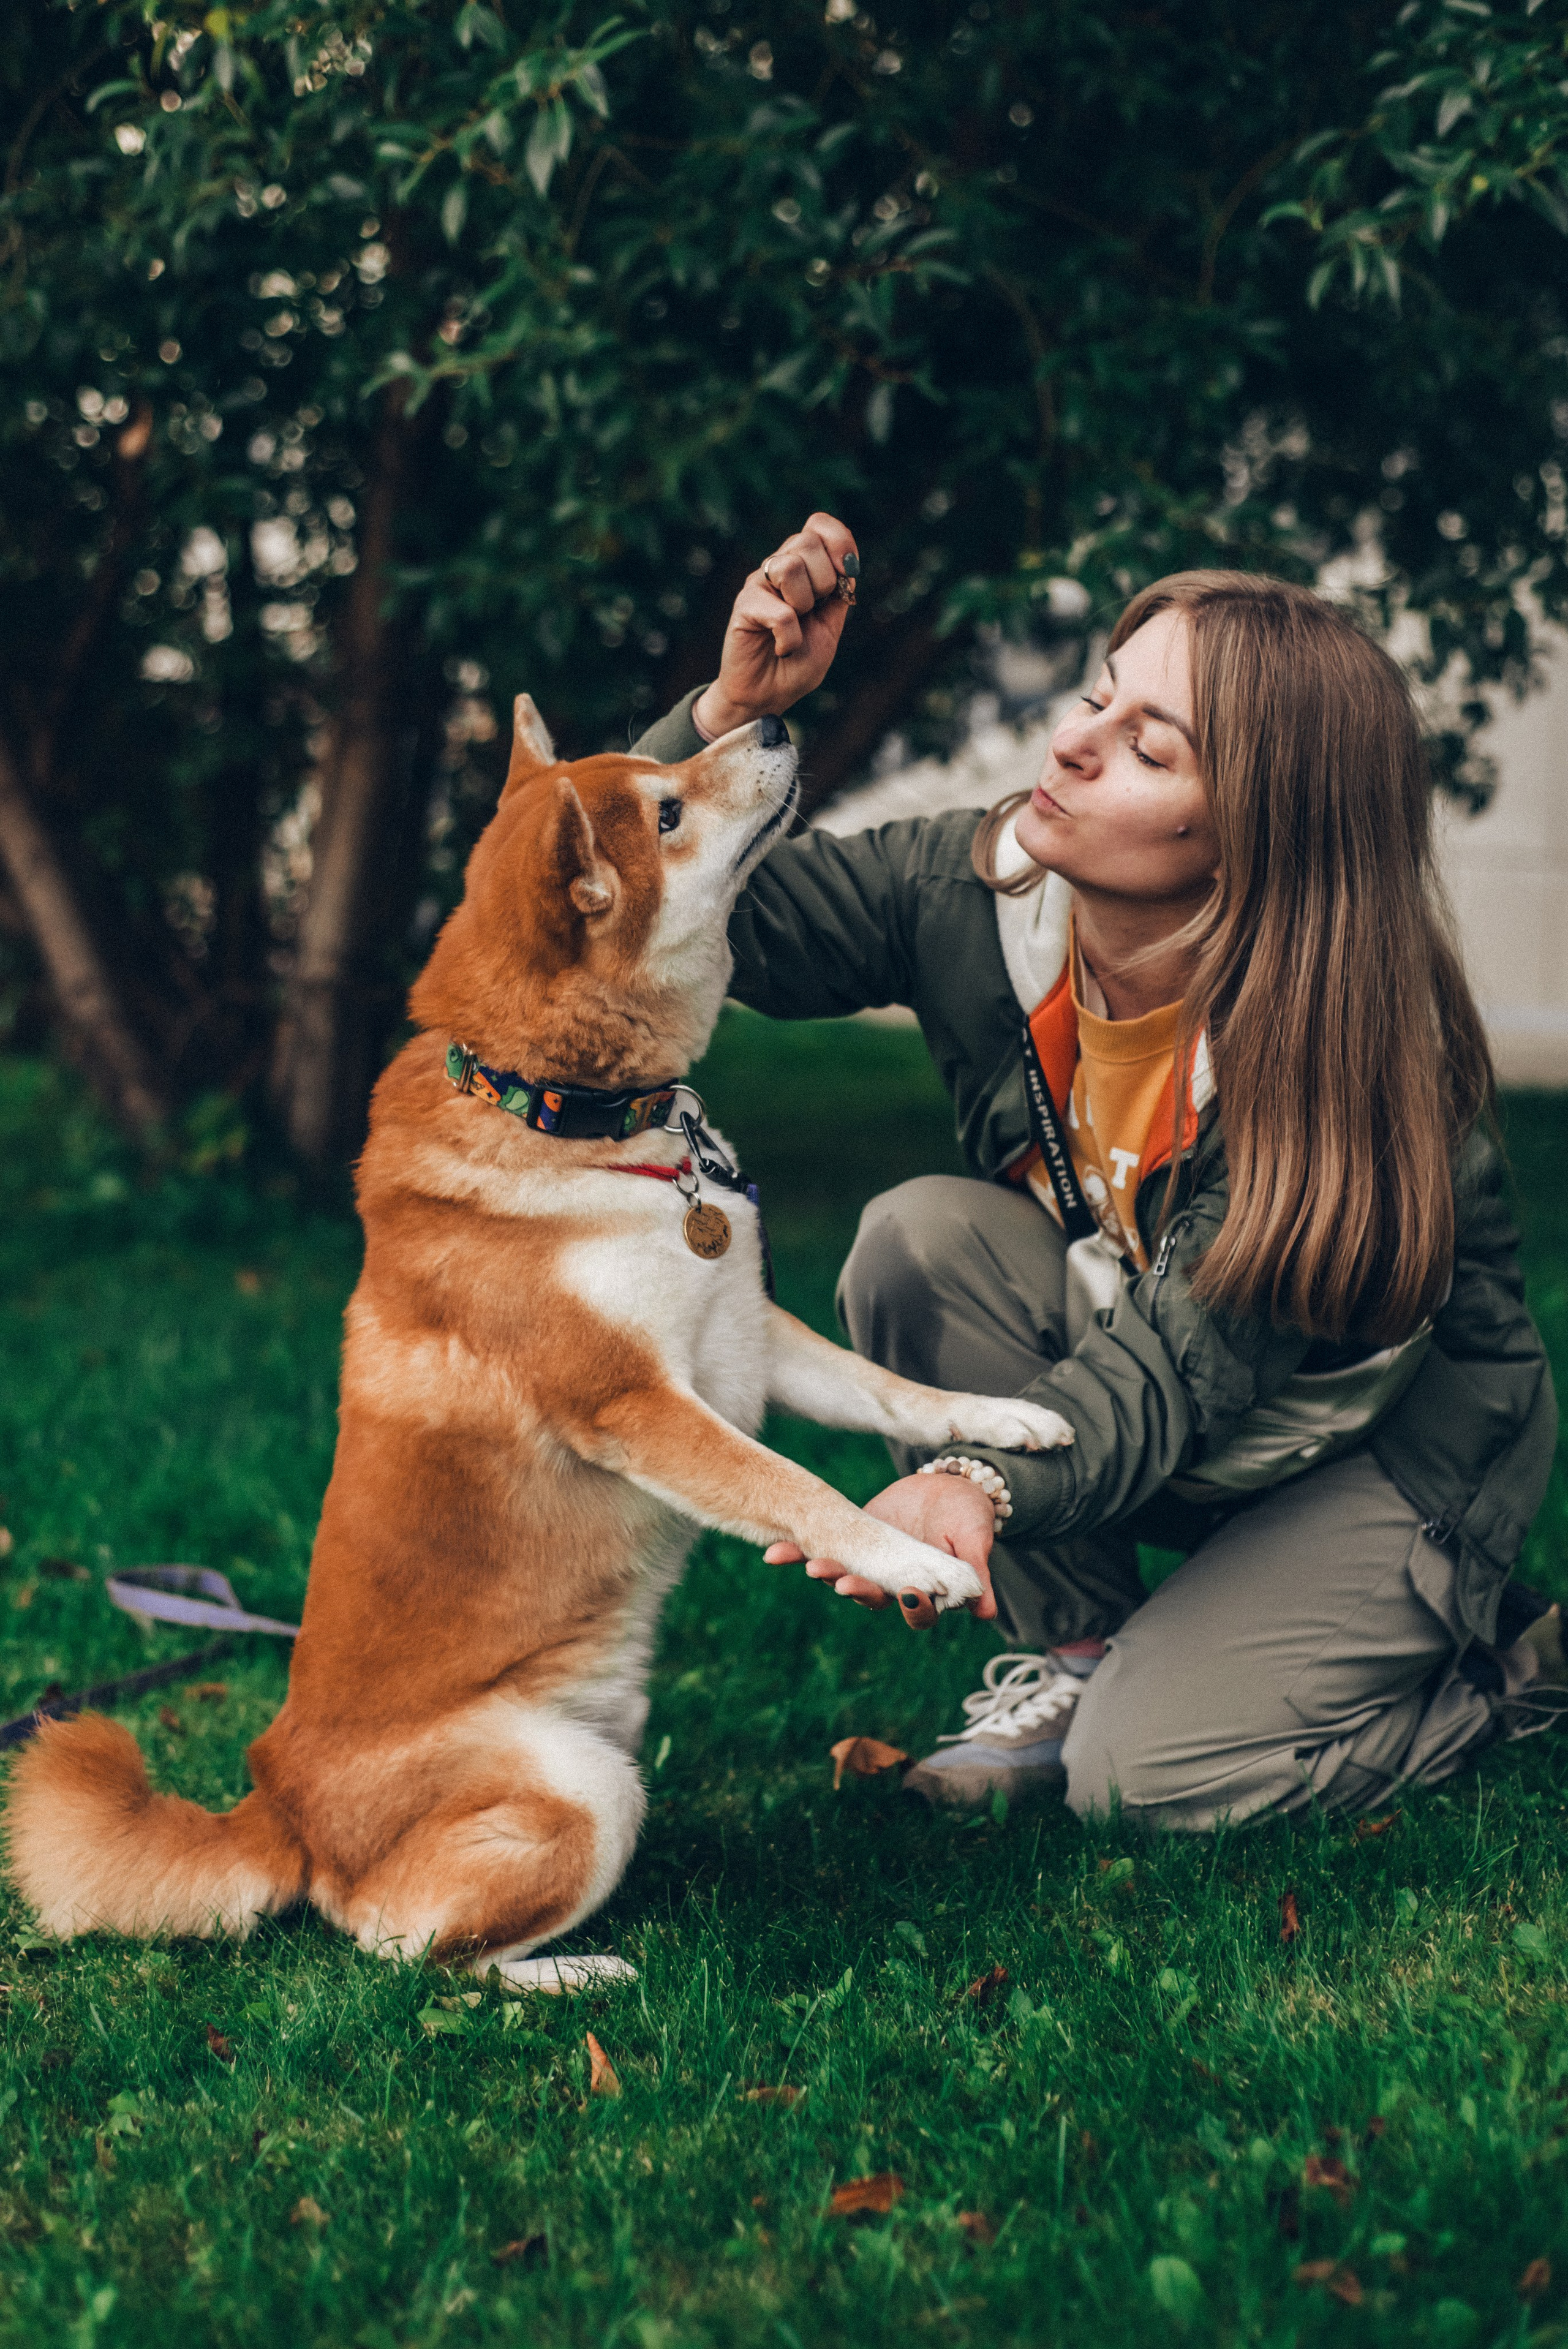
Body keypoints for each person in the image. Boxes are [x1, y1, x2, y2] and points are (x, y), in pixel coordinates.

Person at [632, 513, 1561, 1828]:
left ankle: (1509, 1671)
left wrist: (976, 1482)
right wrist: (730, 717)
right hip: (1168, 1374)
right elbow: (726, 922)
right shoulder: (989, 887)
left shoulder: (1339, 1062)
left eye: (1148, 747)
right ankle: (1077, 1662)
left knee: (1148, 1779)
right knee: (915, 1241)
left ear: (1255, 833)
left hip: (1380, 1448)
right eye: (1096, 698)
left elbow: (1173, 1374)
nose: (1073, 743)